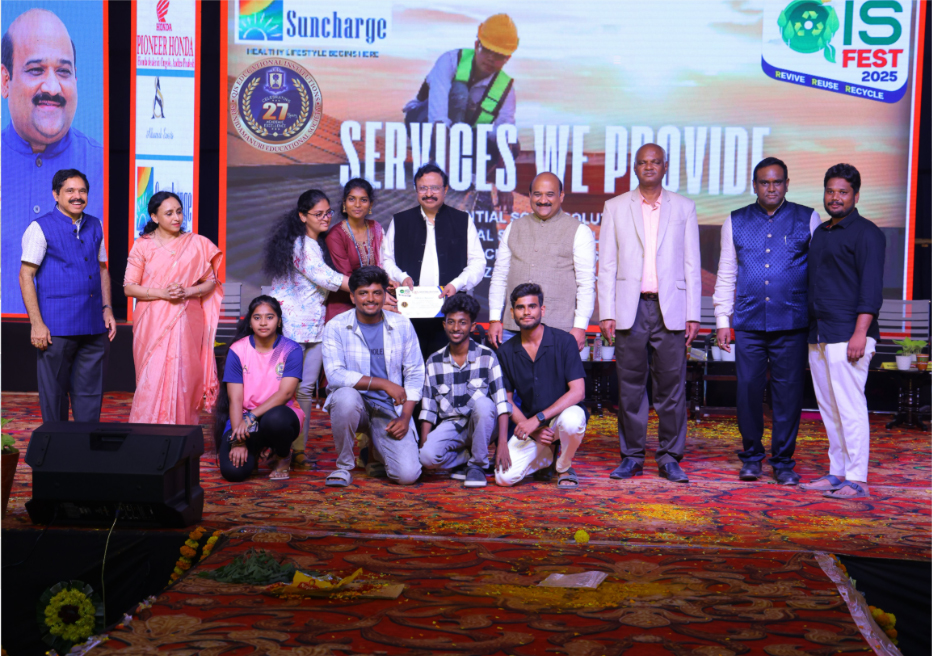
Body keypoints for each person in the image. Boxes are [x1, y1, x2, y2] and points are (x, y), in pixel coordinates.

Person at [712, 158, 822, 485]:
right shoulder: (735, 220)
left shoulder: (808, 218)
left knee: (788, 394)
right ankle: (751, 458)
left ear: (787, 184)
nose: (771, 188)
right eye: (764, 182)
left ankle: (783, 462)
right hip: (748, 322)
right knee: (747, 391)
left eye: (777, 182)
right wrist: (722, 319)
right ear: (754, 185)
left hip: (793, 321)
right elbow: (726, 272)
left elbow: (820, 273)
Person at [597, 143, 701, 484]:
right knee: (629, 388)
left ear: (665, 166)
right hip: (630, 308)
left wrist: (693, 314)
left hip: (671, 307)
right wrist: (607, 312)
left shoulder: (684, 207)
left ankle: (670, 457)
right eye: (643, 162)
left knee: (671, 389)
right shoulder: (615, 206)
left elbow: (692, 264)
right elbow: (606, 264)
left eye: (655, 162)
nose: (649, 167)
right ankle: (631, 457)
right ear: (635, 168)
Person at [2, 9, 104, 315]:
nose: (52, 87)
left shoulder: (105, 167)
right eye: (36, 70)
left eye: (63, 71)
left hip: (77, 334)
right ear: (5, 80)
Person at [800, 164, 885, 500]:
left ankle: (857, 478)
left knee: (850, 407)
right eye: (830, 191)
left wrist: (860, 333)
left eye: (843, 192)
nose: (835, 198)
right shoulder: (822, 232)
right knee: (829, 408)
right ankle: (837, 472)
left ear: (856, 196)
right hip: (819, 333)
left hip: (849, 334)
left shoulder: (867, 233)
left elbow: (871, 289)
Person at [19, 168, 116, 422]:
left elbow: (102, 268)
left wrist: (107, 308)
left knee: (90, 399)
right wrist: (36, 323)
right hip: (56, 329)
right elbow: (26, 275)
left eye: (82, 191)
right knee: (54, 398)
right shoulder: (40, 228)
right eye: (70, 190)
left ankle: (85, 447)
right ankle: (56, 447)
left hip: (94, 327)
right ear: (56, 194)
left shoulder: (95, 224)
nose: (77, 196)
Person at [265, 189, 350, 468]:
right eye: (318, 214)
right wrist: (366, 286)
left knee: (305, 392)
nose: (326, 218)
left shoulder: (317, 243)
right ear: (303, 216)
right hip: (291, 330)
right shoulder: (301, 244)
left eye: (328, 212)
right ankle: (278, 450)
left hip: (315, 329)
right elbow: (326, 278)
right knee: (285, 391)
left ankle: (298, 451)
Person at [402, 13, 519, 213]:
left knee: (512, 145)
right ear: (476, 44)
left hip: (462, 136)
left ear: (507, 58)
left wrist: (504, 184)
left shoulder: (506, 90)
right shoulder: (449, 61)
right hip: (422, 122)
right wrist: (448, 175)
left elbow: (504, 135)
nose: (491, 58)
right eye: (487, 50)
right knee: (459, 92)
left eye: (499, 55)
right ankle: (442, 167)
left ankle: (469, 174)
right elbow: (438, 121)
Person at [123, 191, 224, 424]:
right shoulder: (143, 246)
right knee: (152, 376)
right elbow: (129, 287)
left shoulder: (197, 244)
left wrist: (187, 291)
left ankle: (181, 433)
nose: (176, 217)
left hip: (187, 318)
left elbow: (210, 282)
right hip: (152, 321)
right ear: (154, 217)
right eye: (169, 213)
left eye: (179, 211)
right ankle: (147, 433)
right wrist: (163, 294)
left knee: (183, 375)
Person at [321, 266, 425, 487]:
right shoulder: (336, 326)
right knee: (345, 397)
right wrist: (383, 383)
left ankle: (373, 450)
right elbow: (335, 375)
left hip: (388, 409)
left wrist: (405, 417)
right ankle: (344, 466)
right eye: (363, 293)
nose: (370, 299)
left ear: (385, 295)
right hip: (355, 405)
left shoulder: (402, 324)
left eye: (377, 293)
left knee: (407, 476)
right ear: (352, 297)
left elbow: (415, 372)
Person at [381, 162, 485, 357]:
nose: (429, 193)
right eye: (423, 188)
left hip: (450, 315)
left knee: (446, 367)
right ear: (416, 190)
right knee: (409, 366)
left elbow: (478, 262)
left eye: (435, 188)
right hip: (408, 313)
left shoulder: (462, 220)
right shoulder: (401, 220)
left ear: (445, 189)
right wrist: (401, 277)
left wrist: (456, 284)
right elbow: (386, 260)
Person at [488, 172, 595, 350]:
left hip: (558, 330)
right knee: (509, 370)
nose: (543, 200)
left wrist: (580, 326)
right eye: (537, 194)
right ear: (530, 196)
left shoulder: (579, 231)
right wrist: (494, 319)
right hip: (512, 329)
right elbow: (499, 276)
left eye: (550, 194)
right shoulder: (514, 227)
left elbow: (586, 284)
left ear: (561, 196)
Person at [495, 283, 588, 488]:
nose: (526, 312)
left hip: (561, 417)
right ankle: (547, 457)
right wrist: (532, 429)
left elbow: (578, 392)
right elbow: (507, 400)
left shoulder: (565, 341)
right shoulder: (506, 352)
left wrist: (537, 420)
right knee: (503, 477)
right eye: (520, 307)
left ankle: (563, 466)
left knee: (572, 421)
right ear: (512, 313)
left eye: (532, 306)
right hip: (533, 426)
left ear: (542, 310)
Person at [419, 294, 511, 488]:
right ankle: (465, 460)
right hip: (452, 425)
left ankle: (477, 465)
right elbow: (428, 409)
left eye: (462, 322)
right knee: (427, 458)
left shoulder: (487, 356)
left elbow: (502, 403)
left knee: (484, 404)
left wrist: (502, 443)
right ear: (444, 325)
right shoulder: (434, 361)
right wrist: (423, 445)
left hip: (483, 425)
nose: (456, 328)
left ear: (472, 326)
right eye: (451, 322)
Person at [214, 296, 304, 482]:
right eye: (257, 318)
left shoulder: (291, 349)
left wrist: (252, 416)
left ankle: (282, 455)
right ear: (250, 322)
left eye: (269, 317)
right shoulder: (238, 350)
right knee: (233, 473)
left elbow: (285, 394)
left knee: (275, 419)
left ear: (279, 321)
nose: (263, 323)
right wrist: (238, 441)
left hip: (279, 415)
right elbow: (235, 399)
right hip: (244, 418)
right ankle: (254, 450)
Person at [325, 178, 384, 321]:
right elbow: (347, 275)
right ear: (344, 203)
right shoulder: (336, 235)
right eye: (352, 199)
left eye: (363, 200)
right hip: (344, 305)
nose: (357, 205)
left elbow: (383, 263)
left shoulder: (376, 227)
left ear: (370, 204)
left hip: (373, 302)